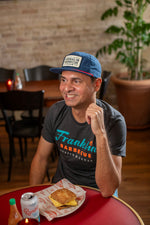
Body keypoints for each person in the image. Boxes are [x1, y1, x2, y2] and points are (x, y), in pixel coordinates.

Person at [29, 51, 126, 197]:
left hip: (97, 193)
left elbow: (108, 189)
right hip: (63, 190)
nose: (66, 88)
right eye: (63, 80)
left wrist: (100, 134)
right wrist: (32, 199)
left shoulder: (114, 121)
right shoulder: (55, 112)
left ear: (97, 84)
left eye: (76, 81)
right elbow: (41, 159)